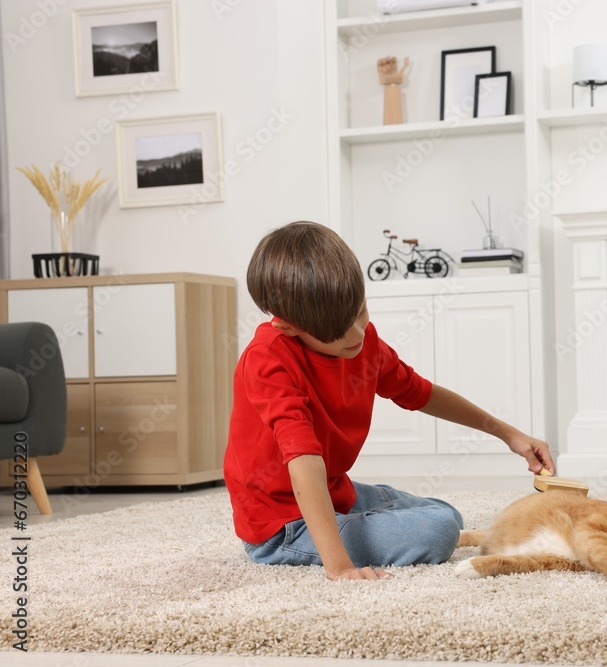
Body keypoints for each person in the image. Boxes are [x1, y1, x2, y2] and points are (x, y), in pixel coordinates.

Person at [224, 221, 555, 583]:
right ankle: (354, 532)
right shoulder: (267, 360)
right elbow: (303, 459)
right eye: (335, 332)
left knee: (448, 516)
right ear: (287, 327)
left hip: (336, 491)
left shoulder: (362, 339)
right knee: (439, 531)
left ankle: (366, 521)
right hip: (281, 525)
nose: (355, 335)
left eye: (360, 312)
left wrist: (509, 434)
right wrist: (340, 567)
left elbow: (420, 393)